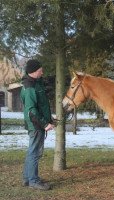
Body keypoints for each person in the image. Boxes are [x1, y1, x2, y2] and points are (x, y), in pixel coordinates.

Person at [20, 59, 54, 190]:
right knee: (35, 152)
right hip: (36, 125)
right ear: (34, 72)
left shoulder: (35, 83)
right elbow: (31, 111)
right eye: (40, 70)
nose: (42, 72)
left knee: (32, 151)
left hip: (38, 123)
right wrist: (45, 124)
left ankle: (27, 178)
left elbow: (40, 105)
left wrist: (49, 119)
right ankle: (33, 180)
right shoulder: (29, 87)